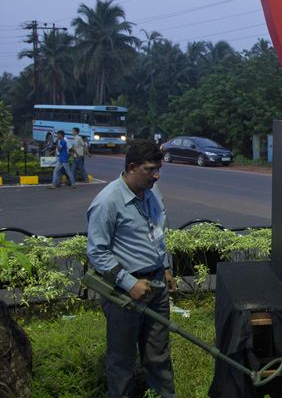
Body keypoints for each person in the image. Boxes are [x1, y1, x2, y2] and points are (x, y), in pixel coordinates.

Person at [86, 140, 177, 397]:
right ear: (131, 168)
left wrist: (165, 267)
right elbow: (97, 252)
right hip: (125, 291)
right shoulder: (107, 202)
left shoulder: (152, 192)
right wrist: (129, 283)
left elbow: (157, 231)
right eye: (150, 169)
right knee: (122, 359)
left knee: (158, 354)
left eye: (158, 169)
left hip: (156, 284)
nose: (156, 175)